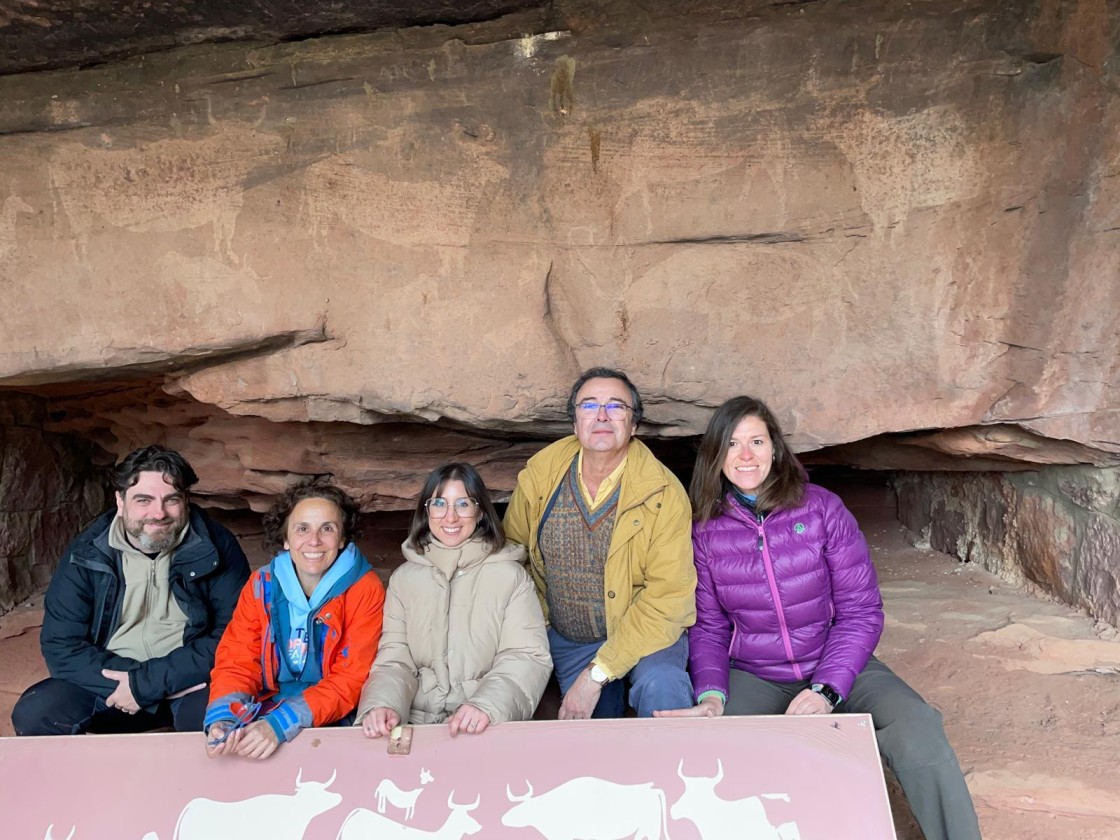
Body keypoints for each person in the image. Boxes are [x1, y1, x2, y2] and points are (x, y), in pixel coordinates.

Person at [656, 395, 981, 840]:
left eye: (757, 441)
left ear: (776, 449)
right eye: (732, 444)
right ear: (715, 455)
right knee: (715, 749)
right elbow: (710, 627)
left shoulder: (821, 508)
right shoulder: (704, 530)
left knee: (917, 725)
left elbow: (861, 611)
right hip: (757, 673)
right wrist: (711, 693)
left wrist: (826, 689)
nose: (746, 455)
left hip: (837, 660)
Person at [11, 445, 250, 736]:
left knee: (221, 718)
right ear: (121, 501)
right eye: (143, 500)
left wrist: (149, 683)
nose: (158, 513)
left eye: (171, 499)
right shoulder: (88, 551)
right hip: (112, 685)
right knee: (36, 713)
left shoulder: (216, 545)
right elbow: (61, 645)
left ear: (186, 501)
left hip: (188, 682)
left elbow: (234, 636)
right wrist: (134, 685)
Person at [504, 367, 696, 720]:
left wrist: (596, 675)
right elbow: (513, 557)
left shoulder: (664, 492)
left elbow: (669, 598)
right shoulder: (541, 476)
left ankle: (674, 772)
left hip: (644, 631)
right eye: (589, 406)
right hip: (571, 637)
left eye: (616, 406)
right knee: (594, 735)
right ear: (575, 423)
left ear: (634, 424)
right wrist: (542, 623)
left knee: (662, 687)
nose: (602, 416)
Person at [357, 463, 551, 737]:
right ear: (427, 511)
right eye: (439, 503)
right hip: (415, 725)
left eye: (463, 503)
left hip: (487, 725)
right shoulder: (405, 579)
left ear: (480, 511)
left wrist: (486, 706)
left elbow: (527, 656)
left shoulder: (511, 577)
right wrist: (383, 705)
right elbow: (394, 659)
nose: (450, 517)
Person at [204, 481, 385, 760]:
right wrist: (225, 718)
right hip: (268, 704)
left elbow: (351, 678)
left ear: (342, 539)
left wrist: (282, 722)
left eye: (327, 528)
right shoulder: (262, 584)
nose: (314, 540)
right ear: (286, 538)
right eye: (302, 529)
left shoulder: (364, 588)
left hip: (334, 710)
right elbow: (237, 660)